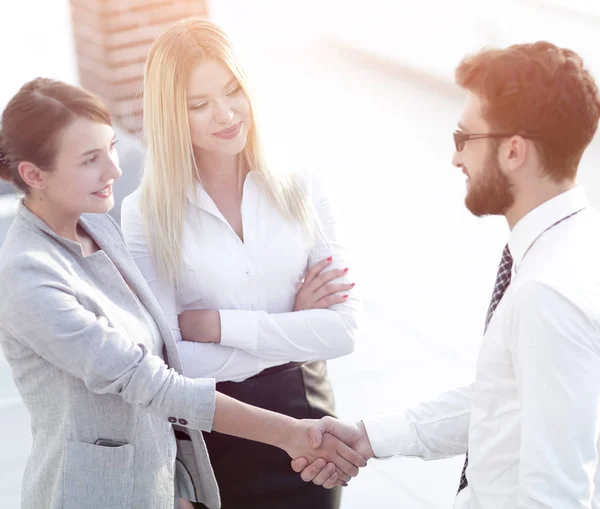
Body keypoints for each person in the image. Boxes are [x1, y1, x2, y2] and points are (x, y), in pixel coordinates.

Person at [0, 77, 366, 509]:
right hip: (94, 493)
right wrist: (290, 433)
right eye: (90, 160)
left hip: (157, 483)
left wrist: (286, 313)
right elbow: (149, 379)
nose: (115, 171)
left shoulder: (93, 224)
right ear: (32, 175)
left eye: (112, 147)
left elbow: (164, 348)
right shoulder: (27, 276)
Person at [293, 41, 600, 509]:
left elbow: (555, 496)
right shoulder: (563, 248)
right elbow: (505, 403)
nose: (456, 158)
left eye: (465, 139)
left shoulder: (547, 297)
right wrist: (368, 437)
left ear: (514, 150)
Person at [120, 18, 359, 509]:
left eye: (232, 92)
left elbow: (342, 333)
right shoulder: (145, 212)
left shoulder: (301, 185)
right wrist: (292, 323)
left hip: (308, 425)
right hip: (213, 433)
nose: (225, 114)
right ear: (171, 114)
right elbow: (172, 360)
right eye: (199, 104)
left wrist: (216, 325)